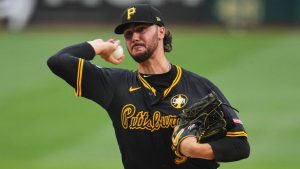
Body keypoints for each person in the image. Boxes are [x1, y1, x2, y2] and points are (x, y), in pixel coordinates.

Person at [47, 4, 250, 169]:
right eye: (128, 34)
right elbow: (59, 61)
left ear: (161, 31)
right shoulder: (114, 85)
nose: (134, 37)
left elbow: (240, 145)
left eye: (141, 29)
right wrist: (99, 46)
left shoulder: (199, 87)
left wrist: (195, 150)